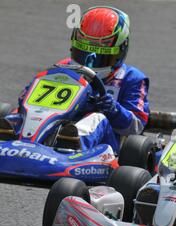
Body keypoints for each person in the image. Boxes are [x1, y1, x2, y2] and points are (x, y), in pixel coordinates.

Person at [11, 6, 149, 152]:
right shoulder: (64, 67)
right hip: (56, 125)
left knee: (97, 117)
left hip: (105, 146)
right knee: (19, 113)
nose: (90, 60)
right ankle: (8, 132)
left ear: (120, 50)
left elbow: (136, 127)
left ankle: (72, 144)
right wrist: (28, 96)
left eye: (101, 55)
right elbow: (30, 99)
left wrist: (114, 110)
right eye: (83, 51)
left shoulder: (132, 78)